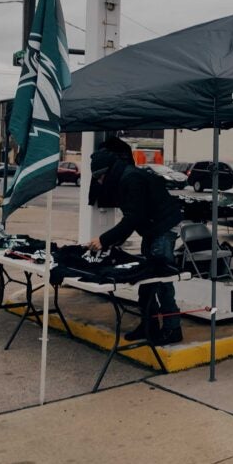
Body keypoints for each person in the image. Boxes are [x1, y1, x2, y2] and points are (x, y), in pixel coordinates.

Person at [87, 137, 185, 346]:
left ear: (105, 173)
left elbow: (133, 218)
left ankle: (172, 329)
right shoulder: (125, 176)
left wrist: (104, 240)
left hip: (163, 229)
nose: (99, 183)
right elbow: (134, 217)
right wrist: (114, 241)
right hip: (153, 229)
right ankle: (148, 325)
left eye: (99, 178)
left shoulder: (130, 179)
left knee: (162, 280)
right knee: (146, 278)